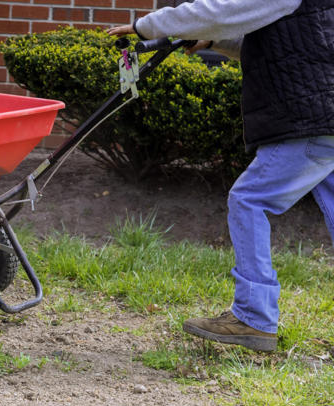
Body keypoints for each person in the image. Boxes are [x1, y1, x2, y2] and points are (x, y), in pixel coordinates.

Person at [107, 0, 334, 352]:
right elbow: (273, 41)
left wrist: (148, 26)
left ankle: (253, 317)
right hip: (325, 118)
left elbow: (219, 12)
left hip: (309, 121)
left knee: (249, 200)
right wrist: (214, 43)